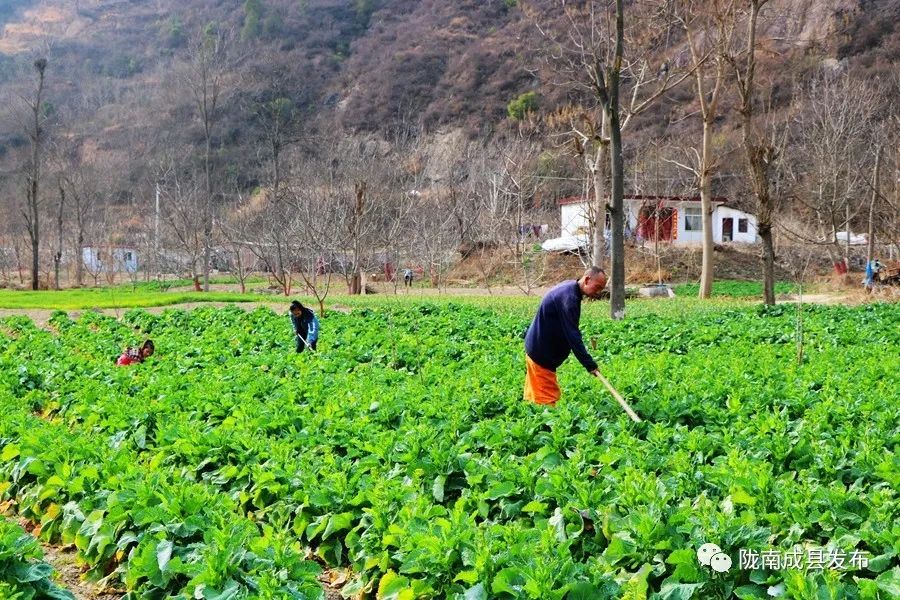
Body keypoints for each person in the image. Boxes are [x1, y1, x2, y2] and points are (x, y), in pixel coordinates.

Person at [523, 267, 607, 406]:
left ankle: (532, 414)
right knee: (547, 399)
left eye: (601, 289)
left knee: (536, 397)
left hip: (537, 346)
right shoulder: (570, 298)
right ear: (587, 280)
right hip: (541, 354)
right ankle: (544, 419)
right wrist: (589, 365)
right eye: (597, 287)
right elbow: (573, 335)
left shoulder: (570, 288)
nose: (598, 292)